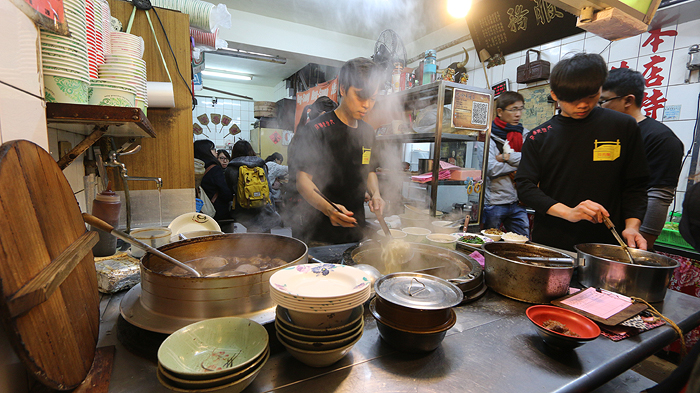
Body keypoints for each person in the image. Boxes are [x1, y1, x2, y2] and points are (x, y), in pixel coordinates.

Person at [515, 53, 650, 252]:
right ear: (554, 95)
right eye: (572, 100)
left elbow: (636, 183)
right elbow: (525, 187)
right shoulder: (539, 136)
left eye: (591, 96)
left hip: (607, 242)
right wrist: (569, 212)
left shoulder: (623, 126)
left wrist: (632, 227)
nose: (582, 105)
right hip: (554, 240)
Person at [288, 57, 385, 244]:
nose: (366, 105)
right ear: (342, 89)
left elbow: (370, 169)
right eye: (360, 96)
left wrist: (376, 194)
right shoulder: (317, 130)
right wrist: (329, 209)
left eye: (372, 98)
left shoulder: (367, 131)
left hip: (355, 230)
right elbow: (303, 181)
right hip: (320, 232)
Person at [601, 68, 685, 250]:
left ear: (628, 100)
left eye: (603, 101)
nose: (599, 107)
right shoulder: (604, 134)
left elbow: (659, 196)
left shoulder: (661, 139)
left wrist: (639, 243)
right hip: (599, 230)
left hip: (628, 239)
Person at [479, 91, 530, 237]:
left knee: (523, 241)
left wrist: (506, 157)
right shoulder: (487, 136)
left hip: (519, 200)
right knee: (490, 241)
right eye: (513, 109)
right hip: (494, 202)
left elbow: (533, 161)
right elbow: (491, 168)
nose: (518, 114)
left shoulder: (524, 134)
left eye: (521, 109)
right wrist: (520, 163)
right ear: (500, 112)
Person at [225, 140, 281, 233]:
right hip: (263, 209)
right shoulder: (260, 165)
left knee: (249, 243)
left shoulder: (230, 169)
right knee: (267, 242)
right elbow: (268, 189)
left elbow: (230, 191)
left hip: (243, 212)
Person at [193, 140, 232, 222]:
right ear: (206, 151)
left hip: (198, 207)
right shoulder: (214, 168)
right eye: (213, 149)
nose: (216, 152)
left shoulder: (194, 167)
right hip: (215, 208)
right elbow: (224, 191)